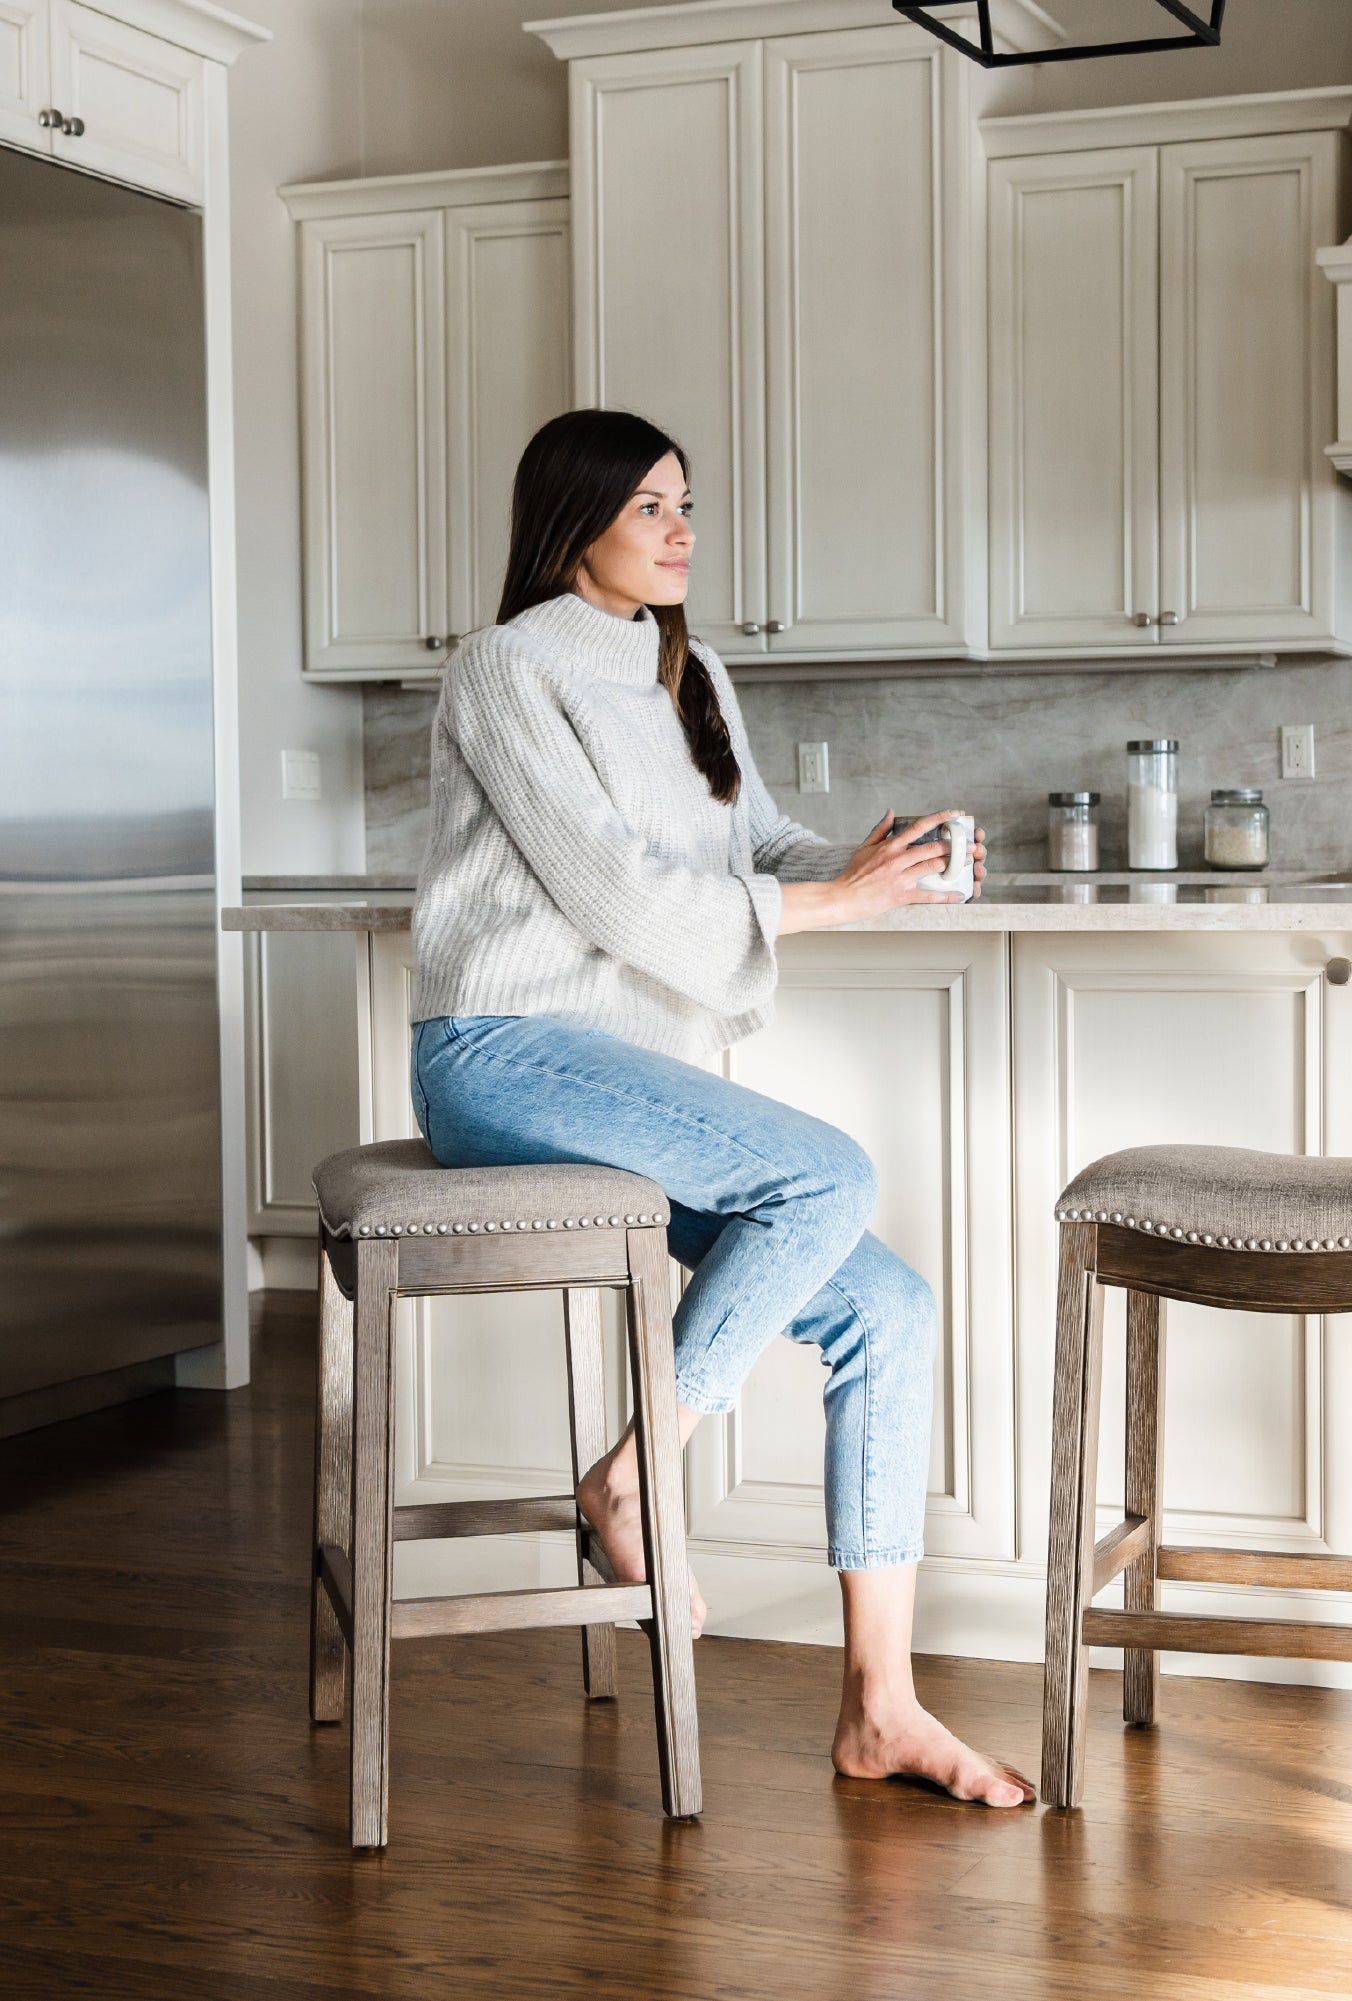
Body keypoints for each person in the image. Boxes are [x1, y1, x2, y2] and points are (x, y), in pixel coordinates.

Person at [407, 407, 1030, 1809]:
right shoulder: (502, 671)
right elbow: (617, 894)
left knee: (891, 1306)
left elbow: (754, 851)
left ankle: (880, 1706)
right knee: (823, 1175)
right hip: (503, 1054)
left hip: (618, 1081)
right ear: (574, 523)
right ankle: (635, 1477)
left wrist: (885, 857)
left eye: (688, 504)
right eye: (650, 508)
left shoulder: (690, 666)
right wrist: (834, 900)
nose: (682, 530)